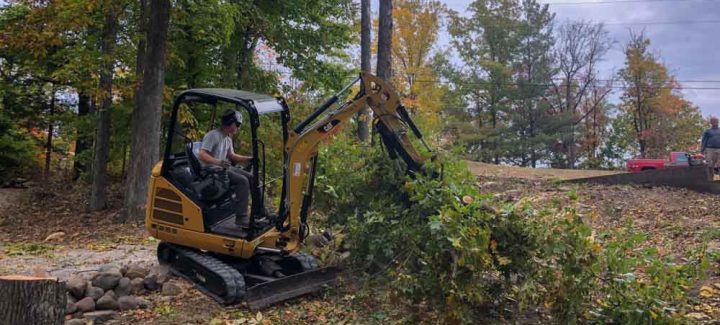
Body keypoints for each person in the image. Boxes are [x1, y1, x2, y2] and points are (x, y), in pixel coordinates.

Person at [198, 109, 254, 227]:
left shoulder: (227, 138)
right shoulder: (213, 135)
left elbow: (232, 156)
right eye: (237, 125)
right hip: (212, 172)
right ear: (229, 122)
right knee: (242, 181)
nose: (238, 128)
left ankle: (259, 210)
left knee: (251, 177)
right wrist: (218, 162)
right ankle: (241, 217)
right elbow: (202, 154)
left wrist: (248, 158)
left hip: (223, 169)